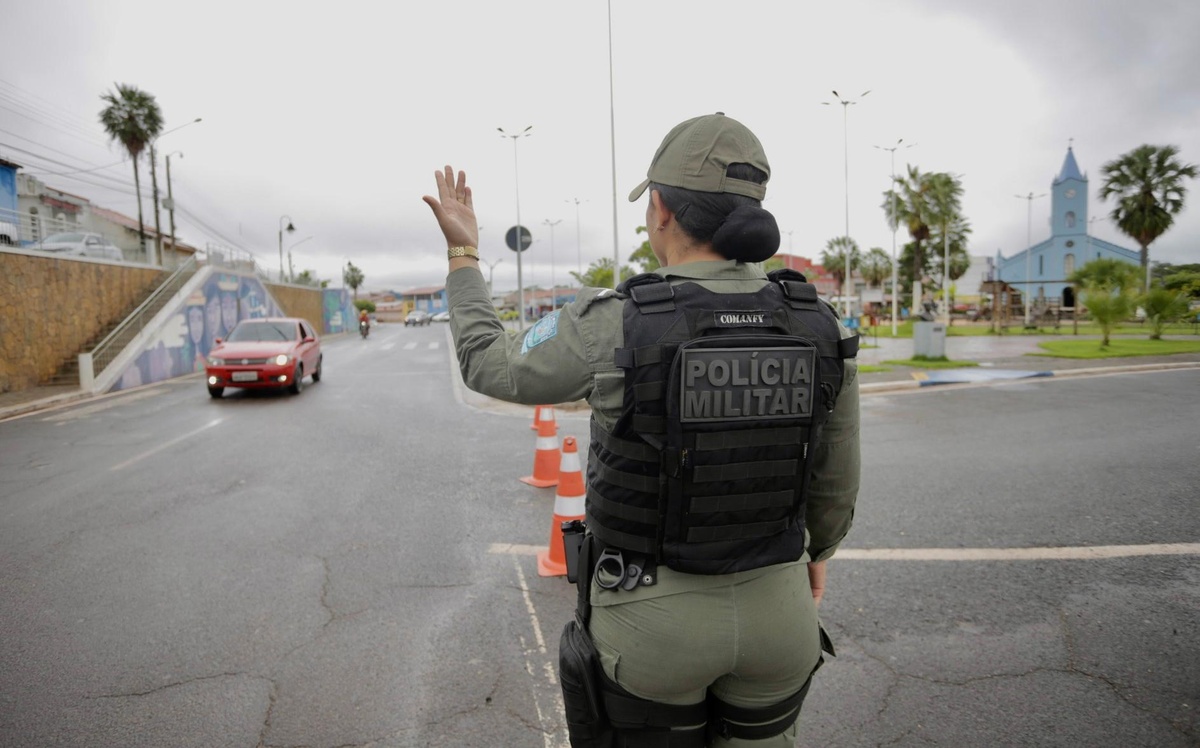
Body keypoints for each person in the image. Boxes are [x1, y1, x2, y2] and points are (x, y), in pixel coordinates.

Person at [424, 112, 860, 747]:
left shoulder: (616, 321)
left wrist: (463, 254)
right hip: (780, 612)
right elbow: (835, 478)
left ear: (661, 209)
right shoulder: (818, 322)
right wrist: (814, 559)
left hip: (652, 623)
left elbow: (488, 364)